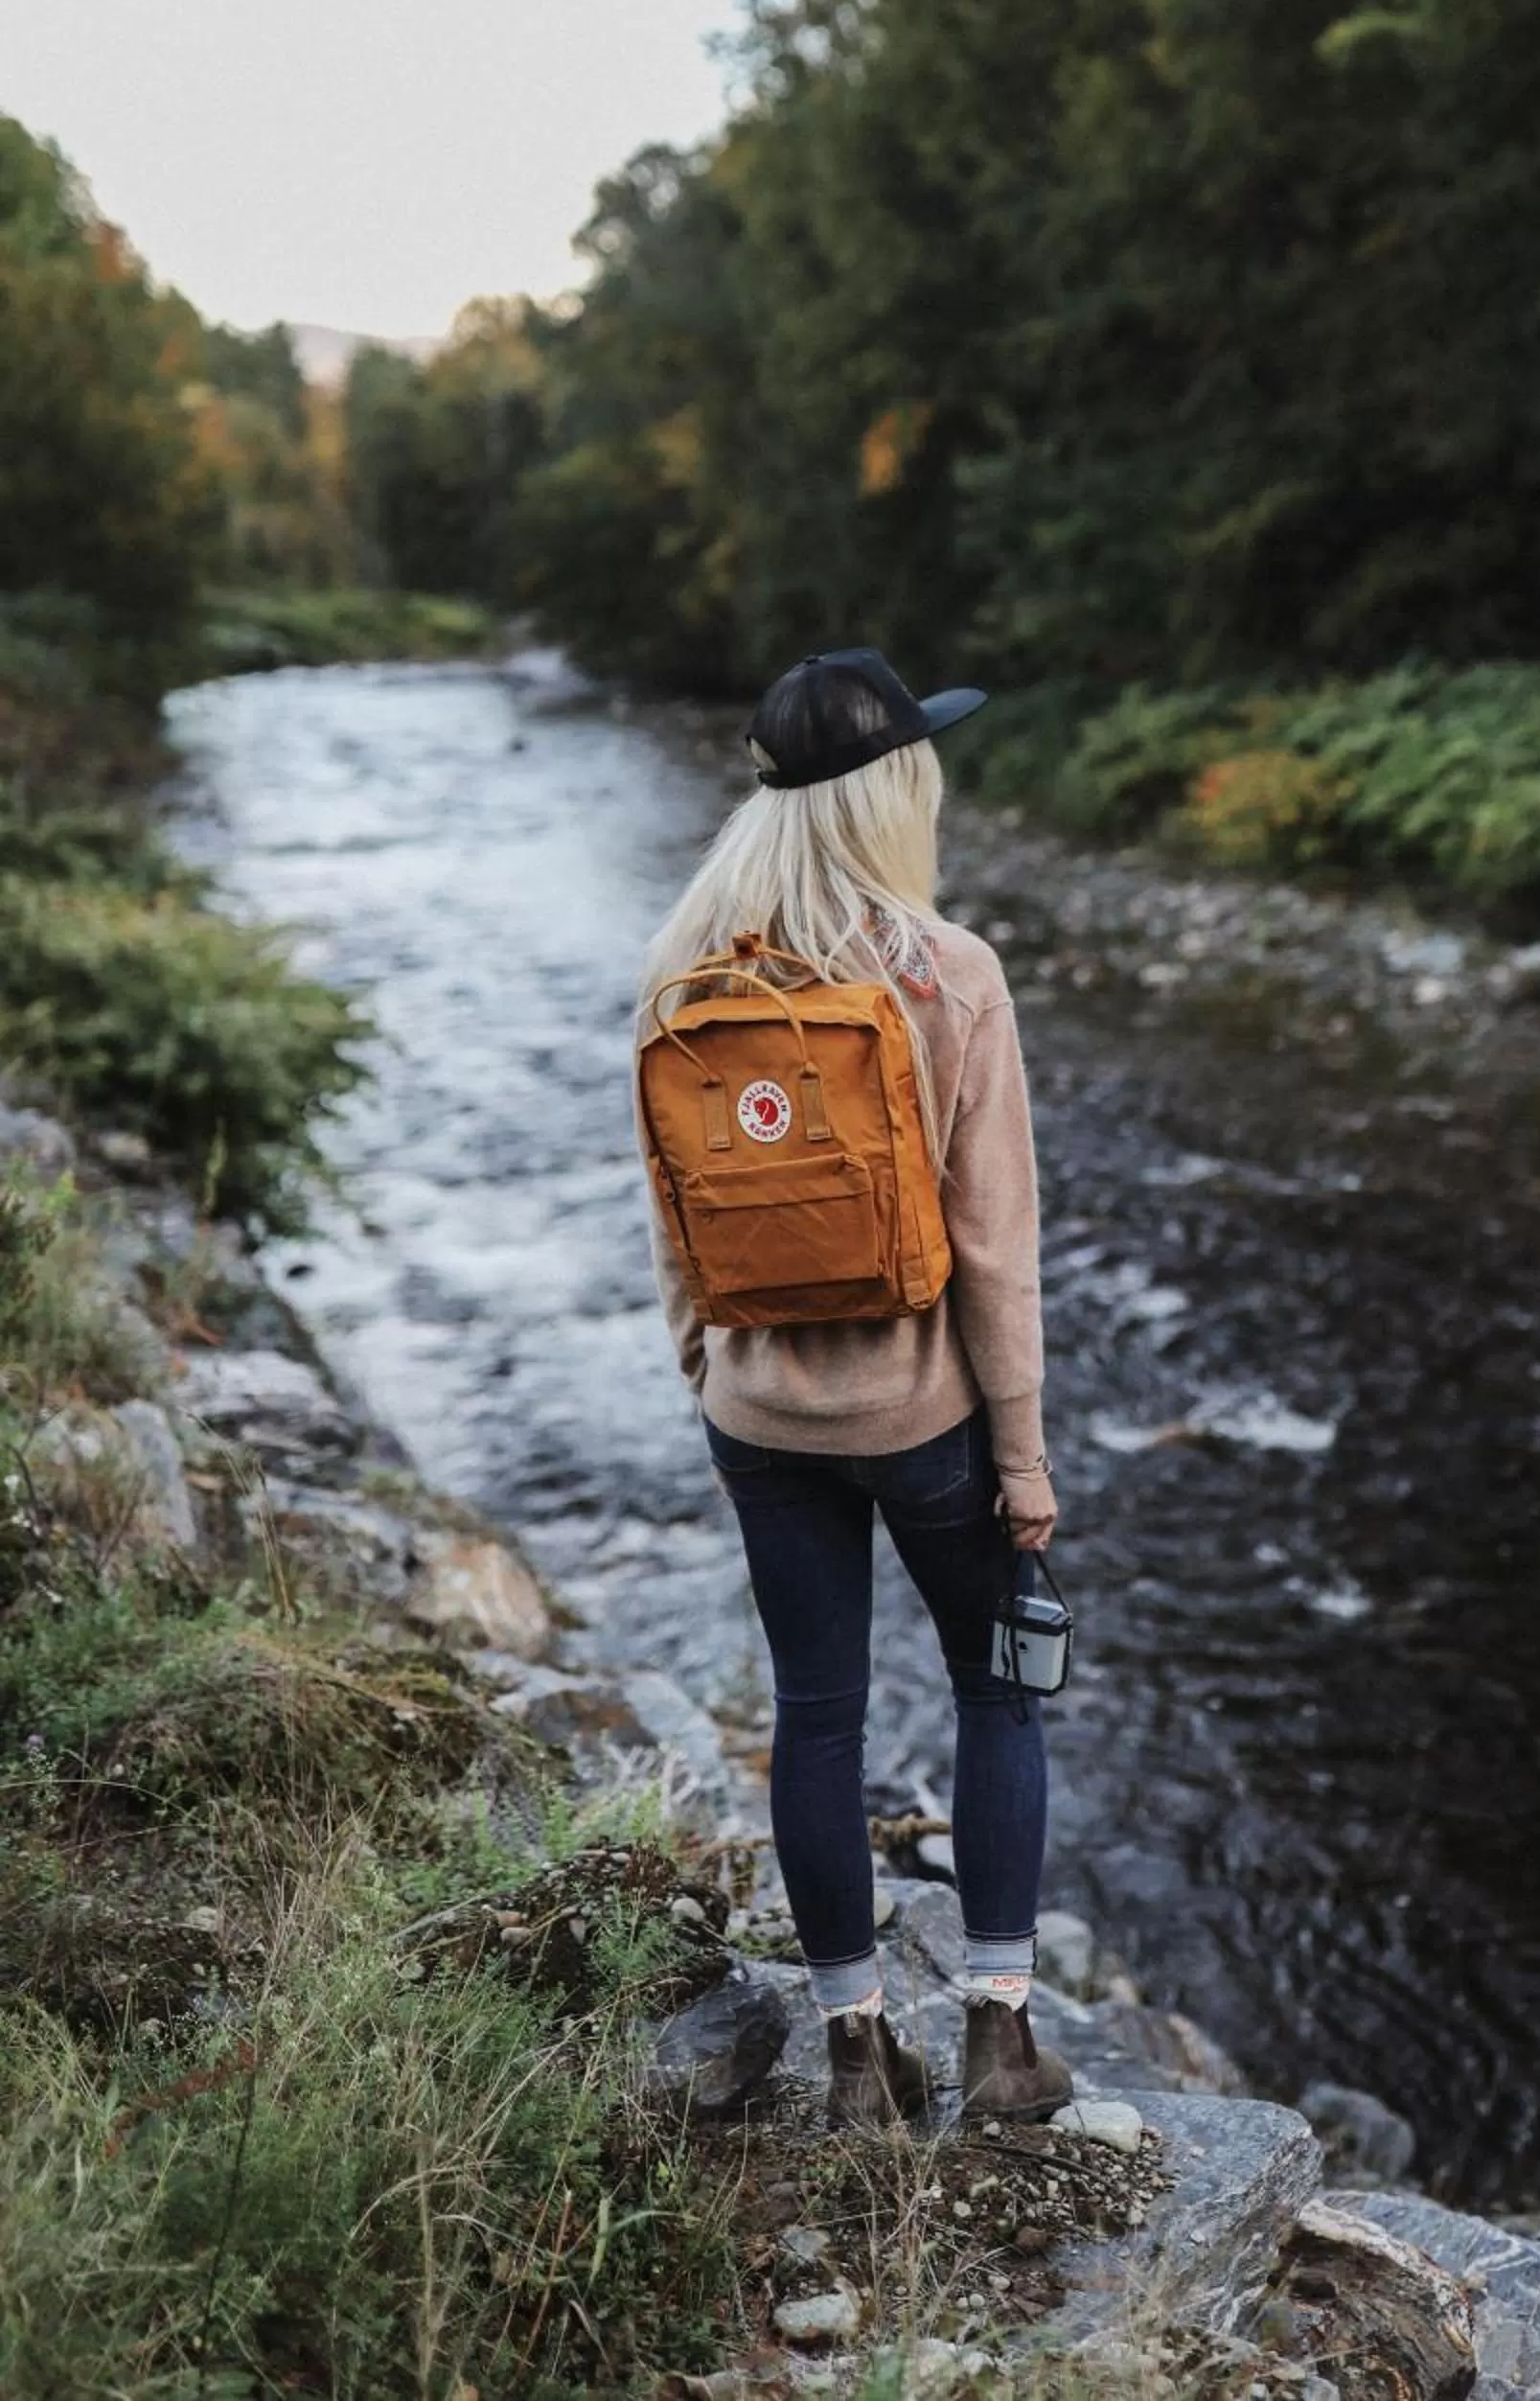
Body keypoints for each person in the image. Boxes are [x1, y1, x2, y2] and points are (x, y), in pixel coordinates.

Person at [636, 646, 1069, 2130]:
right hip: (929, 1419)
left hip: (759, 1418)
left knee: (815, 1719)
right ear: (895, 792)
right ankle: (1002, 2041)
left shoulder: (686, 970)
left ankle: (851, 2057)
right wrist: (1021, 1456)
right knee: (998, 1696)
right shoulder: (947, 975)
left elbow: (669, 1210)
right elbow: (994, 1253)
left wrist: (710, 1366)